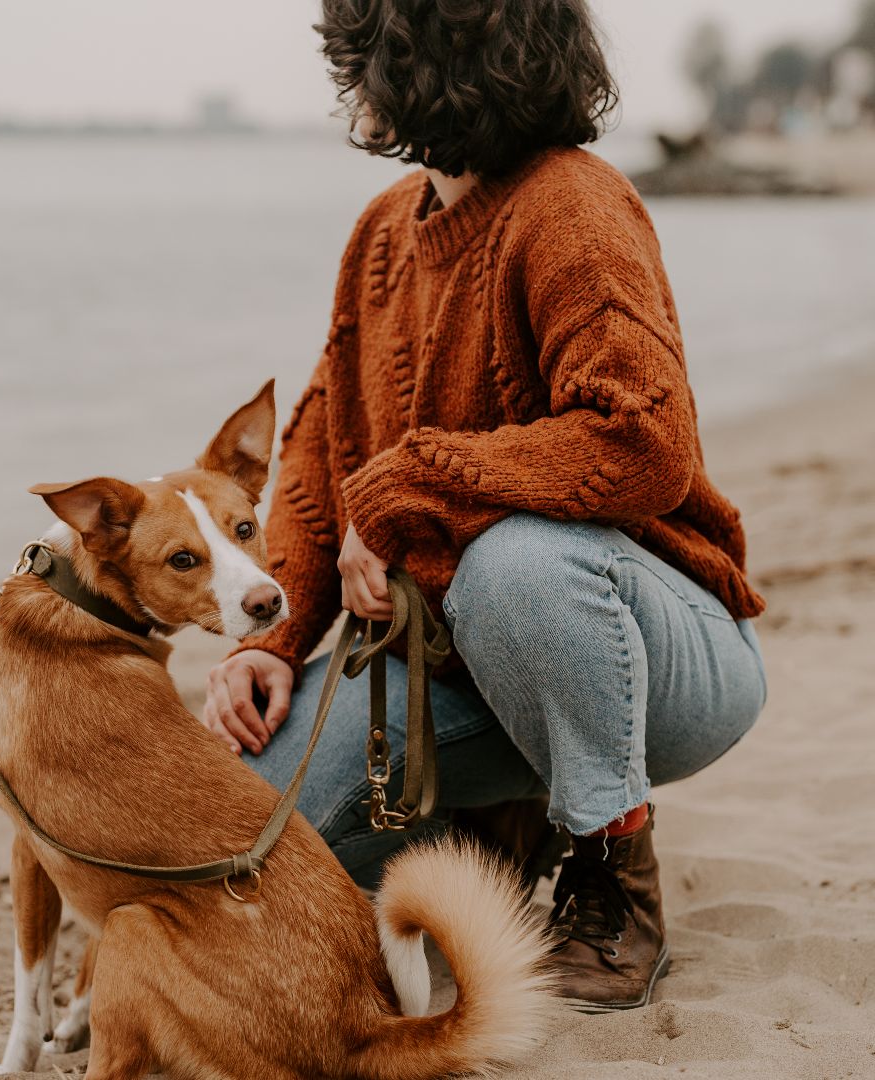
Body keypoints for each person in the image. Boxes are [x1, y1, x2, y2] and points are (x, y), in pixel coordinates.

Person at [202, 0, 767, 1011]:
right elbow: (321, 457)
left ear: (432, 61)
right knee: (230, 834)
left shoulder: (573, 210)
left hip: (659, 655)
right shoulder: (381, 232)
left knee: (518, 563)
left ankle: (613, 872)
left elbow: (644, 448)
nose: (351, 79)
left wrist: (414, 482)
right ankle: (511, 819)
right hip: (464, 666)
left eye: (365, 53)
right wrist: (270, 643)